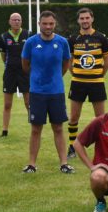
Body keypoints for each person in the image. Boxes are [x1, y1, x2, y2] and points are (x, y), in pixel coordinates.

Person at [21, 10, 73, 174]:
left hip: (56, 92)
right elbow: (25, 65)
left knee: (58, 128)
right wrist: (38, 79)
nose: (48, 26)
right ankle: (31, 164)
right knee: (36, 129)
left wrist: (55, 78)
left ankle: (64, 163)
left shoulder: (62, 42)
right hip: (37, 92)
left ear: (54, 24)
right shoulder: (30, 42)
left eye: (51, 23)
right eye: (45, 24)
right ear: (39, 24)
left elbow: (65, 64)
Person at [66, 7, 108, 159]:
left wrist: (98, 75)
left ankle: (102, 146)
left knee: (101, 118)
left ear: (92, 19)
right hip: (78, 83)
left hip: (97, 82)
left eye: (87, 18)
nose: (85, 21)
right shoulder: (73, 38)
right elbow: (70, 61)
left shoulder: (101, 38)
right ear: (78, 20)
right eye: (82, 18)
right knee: (73, 117)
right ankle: (72, 146)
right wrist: (76, 73)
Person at [0, 12, 30, 137]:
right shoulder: (3, 36)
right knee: (7, 104)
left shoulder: (28, 34)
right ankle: (5, 130)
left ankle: (34, 125)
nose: (16, 22)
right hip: (10, 73)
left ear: (21, 22)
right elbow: (3, 56)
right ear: (9, 22)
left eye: (19, 20)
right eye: (14, 20)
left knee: (28, 102)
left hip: (25, 73)